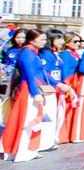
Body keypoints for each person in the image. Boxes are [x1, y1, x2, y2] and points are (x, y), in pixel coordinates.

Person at [0, 29, 57, 162]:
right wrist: (36, 93)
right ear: (32, 40)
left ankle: (29, 149)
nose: (44, 42)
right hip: (29, 90)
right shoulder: (28, 54)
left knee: (33, 119)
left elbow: (41, 73)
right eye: (42, 39)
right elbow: (30, 76)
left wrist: (57, 84)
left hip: (33, 88)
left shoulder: (33, 53)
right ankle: (23, 151)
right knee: (28, 120)